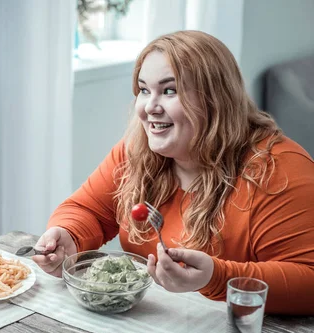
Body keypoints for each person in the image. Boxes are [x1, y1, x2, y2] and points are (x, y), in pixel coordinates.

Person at [33, 30, 314, 316]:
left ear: (215, 100)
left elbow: (309, 278)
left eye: (169, 90)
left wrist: (216, 277)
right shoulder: (135, 152)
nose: (149, 108)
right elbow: (89, 210)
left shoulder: (279, 170)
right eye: (144, 90)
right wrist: (69, 235)